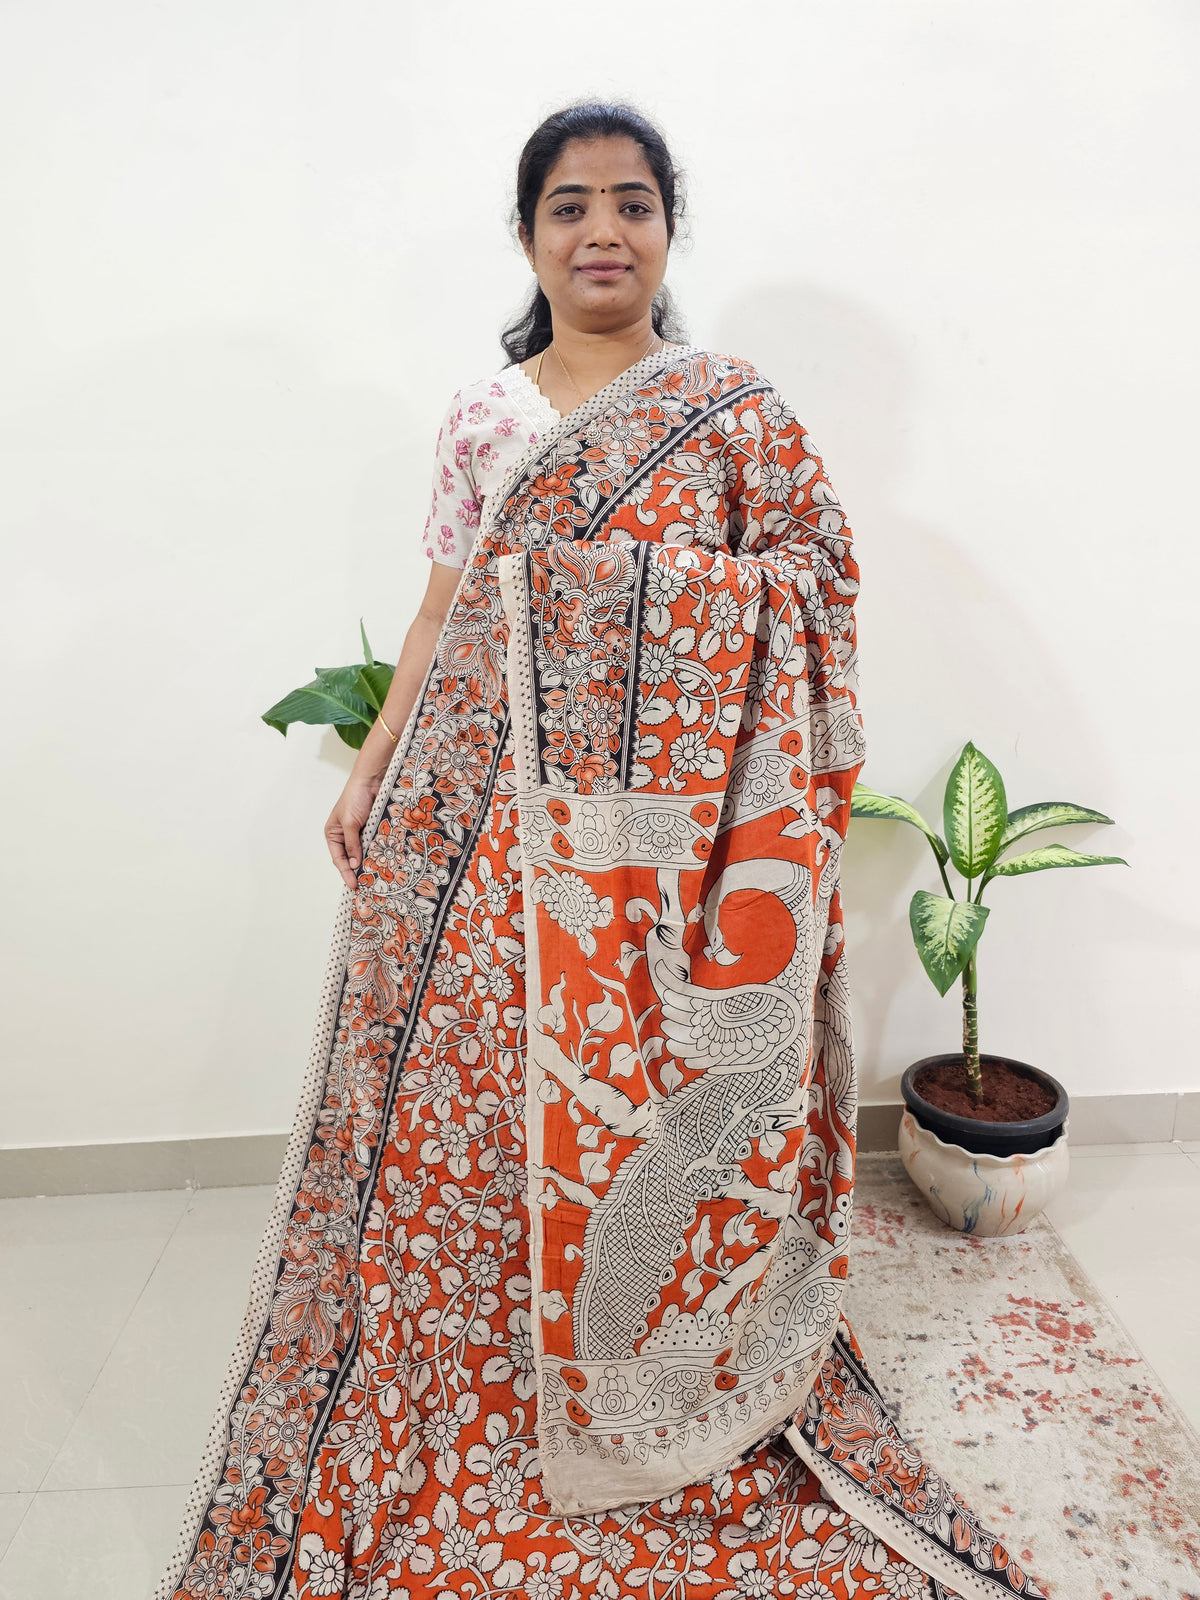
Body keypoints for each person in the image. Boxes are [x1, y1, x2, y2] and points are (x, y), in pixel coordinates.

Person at [156, 101, 1048, 1600]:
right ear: (528, 237)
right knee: (482, 1105)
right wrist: (374, 768)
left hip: (670, 855)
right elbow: (442, 610)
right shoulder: (486, 420)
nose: (602, 233)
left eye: (632, 203)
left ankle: (641, 1367)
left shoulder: (730, 413)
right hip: (489, 825)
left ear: (668, 227)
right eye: (569, 207)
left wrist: (655, 600)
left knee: (640, 1101)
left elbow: (815, 585)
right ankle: (492, 1367)